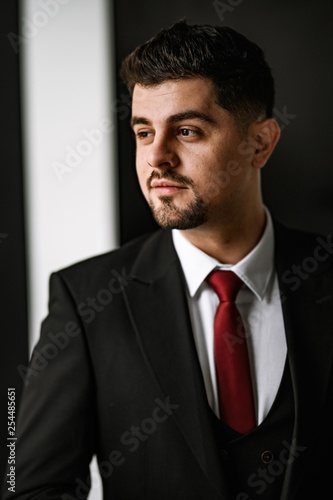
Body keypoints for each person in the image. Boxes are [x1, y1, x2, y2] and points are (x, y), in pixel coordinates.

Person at [4, 20, 333, 500]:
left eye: (186, 130)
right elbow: (28, 486)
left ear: (260, 143)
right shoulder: (86, 300)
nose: (156, 157)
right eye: (143, 132)